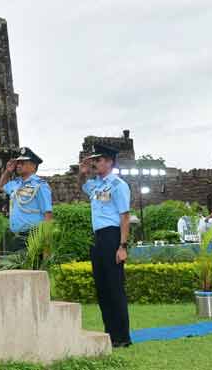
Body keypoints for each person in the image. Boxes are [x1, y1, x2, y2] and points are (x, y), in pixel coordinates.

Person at [80, 143, 132, 348]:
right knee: (102, 288)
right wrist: (82, 171)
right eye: (94, 160)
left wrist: (122, 245)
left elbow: (124, 217)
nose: (95, 163)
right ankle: (109, 333)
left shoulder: (118, 185)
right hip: (98, 238)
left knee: (115, 287)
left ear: (110, 161)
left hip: (112, 237)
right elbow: (82, 184)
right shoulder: (96, 185)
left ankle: (122, 337)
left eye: (98, 160)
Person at [0, 147, 53, 252]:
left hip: (33, 235)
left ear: (33, 166)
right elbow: (2, 186)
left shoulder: (40, 185)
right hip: (16, 236)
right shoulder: (16, 183)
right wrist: (8, 171)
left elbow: (48, 214)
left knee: (30, 267)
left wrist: (47, 244)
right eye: (18, 163)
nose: (18, 165)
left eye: (22, 163)